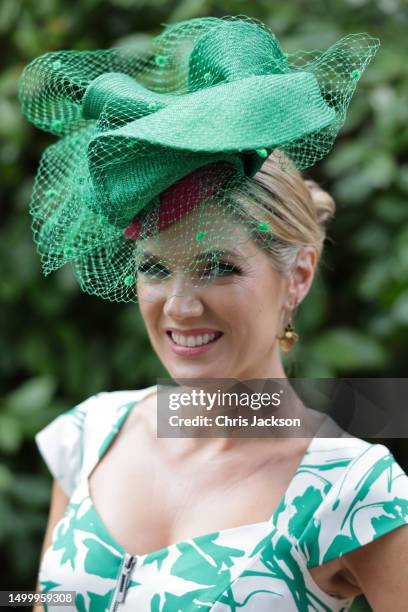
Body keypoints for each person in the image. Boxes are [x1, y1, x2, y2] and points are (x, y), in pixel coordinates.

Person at [19, 15, 408, 612]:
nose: (179, 305)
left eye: (218, 266)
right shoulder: (90, 437)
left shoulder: (353, 490)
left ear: (297, 275)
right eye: (154, 267)